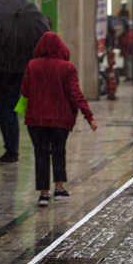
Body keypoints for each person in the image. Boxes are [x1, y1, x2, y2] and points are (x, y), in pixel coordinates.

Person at [20, 32, 97, 207]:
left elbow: (24, 92)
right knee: (59, 151)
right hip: (59, 119)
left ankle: (43, 194)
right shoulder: (67, 68)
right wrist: (89, 116)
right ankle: (59, 188)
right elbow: (75, 94)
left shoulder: (32, 65)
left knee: (41, 153)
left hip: (36, 119)